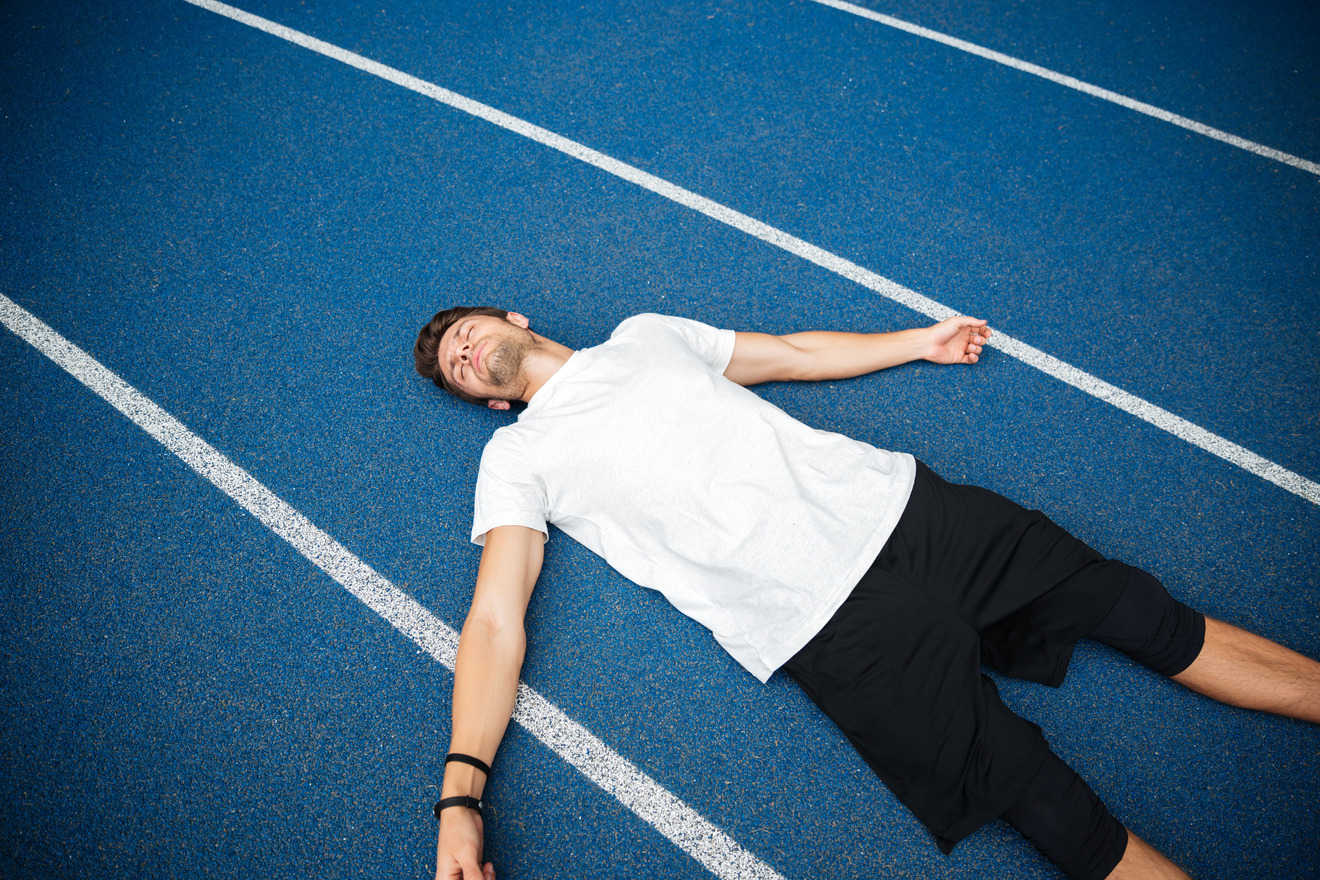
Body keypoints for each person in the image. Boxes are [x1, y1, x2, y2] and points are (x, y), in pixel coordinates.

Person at [413, 306, 1320, 880]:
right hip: (828, 630)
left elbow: (794, 355)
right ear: (489, 402)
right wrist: (463, 795)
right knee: (1048, 809)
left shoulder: (647, 337)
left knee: (1144, 614)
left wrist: (916, 343)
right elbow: (495, 621)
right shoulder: (517, 459)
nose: (461, 350)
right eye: (454, 366)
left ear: (512, 317)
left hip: (906, 512)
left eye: (462, 332)